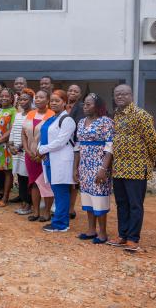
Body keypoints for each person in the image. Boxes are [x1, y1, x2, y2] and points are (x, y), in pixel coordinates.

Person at [107, 84, 156, 252]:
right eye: (117, 94)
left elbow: (153, 142)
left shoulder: (141, 115)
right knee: (121, 203)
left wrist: (147, 162)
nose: (120, 97)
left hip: (136, 168)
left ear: (131, 96)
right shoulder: (117, 115)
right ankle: (122, 235)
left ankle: (133, 238)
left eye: (123, 94)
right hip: (119, 167)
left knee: (135, 204)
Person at [73, 93, 113, 244]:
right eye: (84, 104)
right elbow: (77, 146)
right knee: (88, 197)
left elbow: (109, 147)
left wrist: (103, 168)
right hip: (84, 165)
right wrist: (75, 168)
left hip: (99, 165)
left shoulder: (106, 122)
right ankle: (91, 230)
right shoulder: (81, 122)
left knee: (100, 198)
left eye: (89, 104)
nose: (85, 107)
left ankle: (102, 233)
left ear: (97, 106)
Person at [38, 90, 76, 233]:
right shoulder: (51, 119)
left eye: (57, 101)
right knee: (56, 191)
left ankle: (61, 224)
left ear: (65, 102)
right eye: (52, 100)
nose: (53, 103)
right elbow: (43, 136)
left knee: (61, 192)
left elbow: (60, 142)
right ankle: (59, 221)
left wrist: (42, 150)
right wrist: (40, 148)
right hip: (49, 160)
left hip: (61, 160)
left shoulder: (67, 120)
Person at [22, 90, 55, 222]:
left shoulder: (52, 115)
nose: (38, 99)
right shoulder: (30, 114)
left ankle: (46, 212)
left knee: (46, 184)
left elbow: (53, 137)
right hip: (30, 155)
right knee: (33, 183)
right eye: (37, 97)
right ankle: (35, 211)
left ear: (48, 100)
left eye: (42, 97)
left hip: (45, 156)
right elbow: (23, 134)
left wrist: (41, 154)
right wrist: (27, 150)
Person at [9, 88, 34, 215]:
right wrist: (11, 145)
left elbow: (32, 134)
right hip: (16, 152)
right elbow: (13, 131)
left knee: (27, 177)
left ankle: (28, 204)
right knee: (20, 177)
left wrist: (22, 147)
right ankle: (24, 202)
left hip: (26, 151)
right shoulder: (18, 115)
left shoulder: (34, 115)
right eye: (20, 99)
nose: (22, 102)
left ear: (31, 101)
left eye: (25, 100)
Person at [67, 84, 85, 220]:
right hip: (60, 148)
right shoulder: (61, 105)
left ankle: (71, 208)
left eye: (76, 91)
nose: (72, 92)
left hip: (74, 147)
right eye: (70, 90)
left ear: (79, 95)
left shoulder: (81, 107)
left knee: (73, 179)